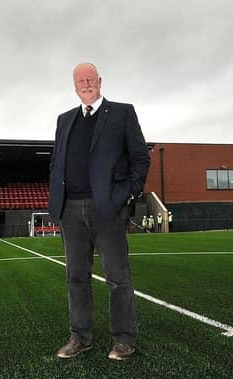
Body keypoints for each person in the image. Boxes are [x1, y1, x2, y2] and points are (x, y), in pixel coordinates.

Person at [49, 62, 150, 360]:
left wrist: (129, 192)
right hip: (71, 209)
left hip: (107, 209)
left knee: (118, 277)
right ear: (74, 85)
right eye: (80, 80)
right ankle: (80, 337)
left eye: (90, 78)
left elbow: (140, 157)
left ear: (100, 81)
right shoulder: (64, 119)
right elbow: (56, 161)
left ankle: (124, 339)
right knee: (76, 277)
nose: (85, 84)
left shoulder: (122, 113)